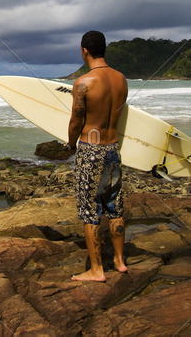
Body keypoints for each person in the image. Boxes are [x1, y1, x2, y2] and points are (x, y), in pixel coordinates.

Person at [65, 30, 128, 282]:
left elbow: (75, 121)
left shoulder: (83, 83)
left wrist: (70, 144)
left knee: (90, 211)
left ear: (84, 51)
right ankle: (120, 261)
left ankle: (96, 270)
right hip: (113, 149)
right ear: (104, 49)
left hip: (90, 151)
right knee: (114, 206)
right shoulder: (121, 80)